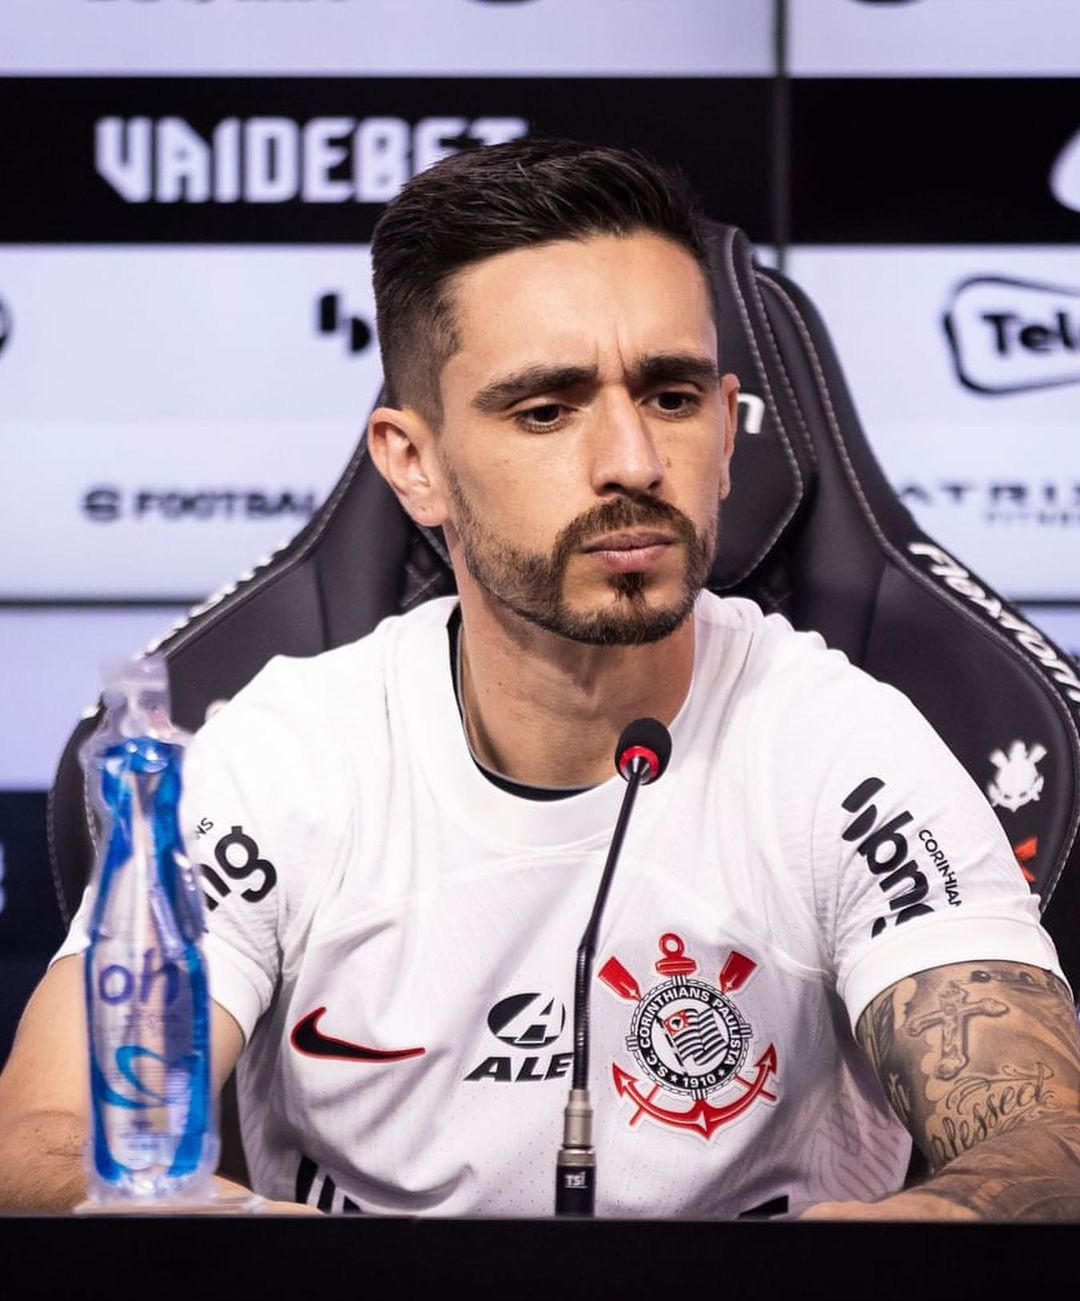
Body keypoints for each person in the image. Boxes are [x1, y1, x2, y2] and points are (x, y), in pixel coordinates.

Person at [2, 137, 1080, 1221]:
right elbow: (40, 1135)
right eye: (546, 410)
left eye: (671, 396)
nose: (633, 462)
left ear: (726, 431)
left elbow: (1048, 1140)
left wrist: (909, 1241)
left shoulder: (846, 750)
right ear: (413, 463)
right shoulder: (286, 758)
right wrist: (272, 1260)